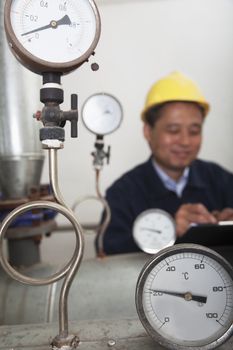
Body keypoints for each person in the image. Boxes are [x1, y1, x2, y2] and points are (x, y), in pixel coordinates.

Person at [97, 71, 233, 255]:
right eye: (173, 130)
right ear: (148, 131)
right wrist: (169, 231)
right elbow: (107, 252)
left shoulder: (221, 180)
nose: (185, 141)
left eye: (194, 131)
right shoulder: (122, 194)